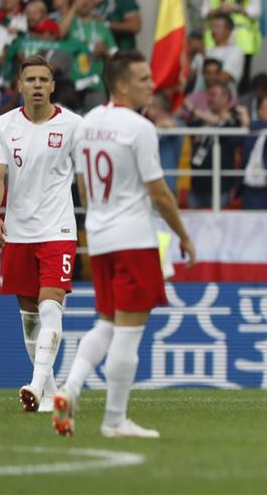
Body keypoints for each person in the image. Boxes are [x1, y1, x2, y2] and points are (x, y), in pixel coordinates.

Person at [52, 50, 196, 437]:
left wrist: (99, 217)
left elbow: (82, 186)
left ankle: (69, 387)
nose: (152, 85)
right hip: (133, 238)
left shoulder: (85, 124)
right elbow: (160, 194)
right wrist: (183, 235)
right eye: (145, 79)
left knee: (108, 323)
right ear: (121, 84)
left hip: (100, 237)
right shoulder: (139, 127)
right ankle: (114, 420)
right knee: (129, 332)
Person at [0, 55, 83, 412]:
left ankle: (36, 385)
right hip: (18, 233)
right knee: (30, 318)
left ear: (53, 86)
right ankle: (48, 394)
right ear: (20, 86)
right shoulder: (4, 125)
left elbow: (85, 179)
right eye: (31, 80)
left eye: (44, 79)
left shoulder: (74, 125)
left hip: (58, 229)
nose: (38, 85)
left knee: (50, 307)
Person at [204, 0, 262, 92]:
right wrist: (219, 9)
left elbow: (257, 11)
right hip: (216, 39)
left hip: (243, 40)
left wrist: (236, 8)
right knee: (212, 74)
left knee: (242, 80)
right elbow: (203, 11)